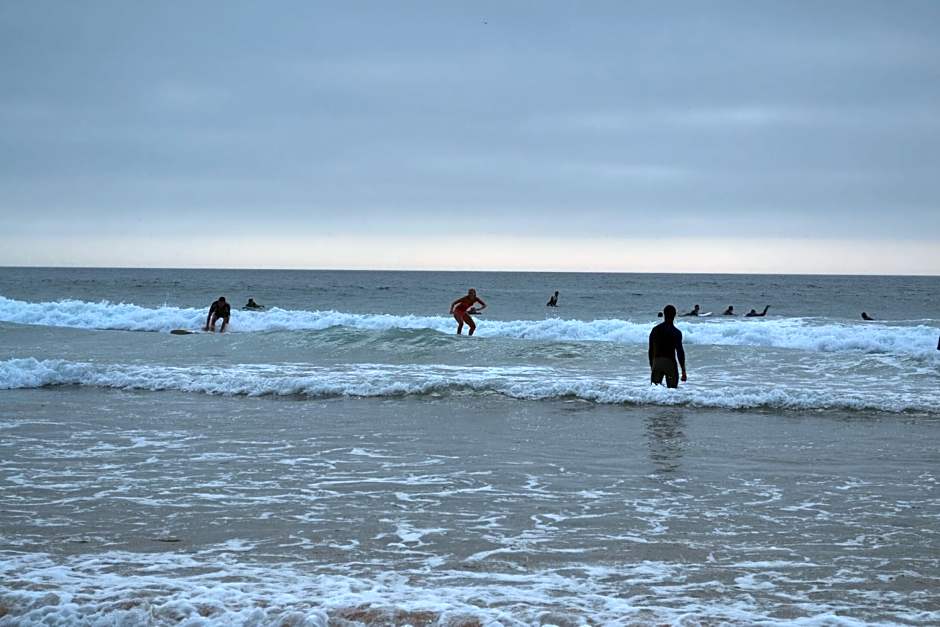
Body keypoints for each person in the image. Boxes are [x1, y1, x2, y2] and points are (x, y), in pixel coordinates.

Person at [649, 304, 687, 388]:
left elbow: (651, 350)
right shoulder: (676, 332)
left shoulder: (655, 330)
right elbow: (680, 352)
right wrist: (683, 370)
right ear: (675, 315)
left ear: (664, 314)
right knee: (672, 391)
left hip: (657, 362)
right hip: (670, 363)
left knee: (654, 391)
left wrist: (652, 366)